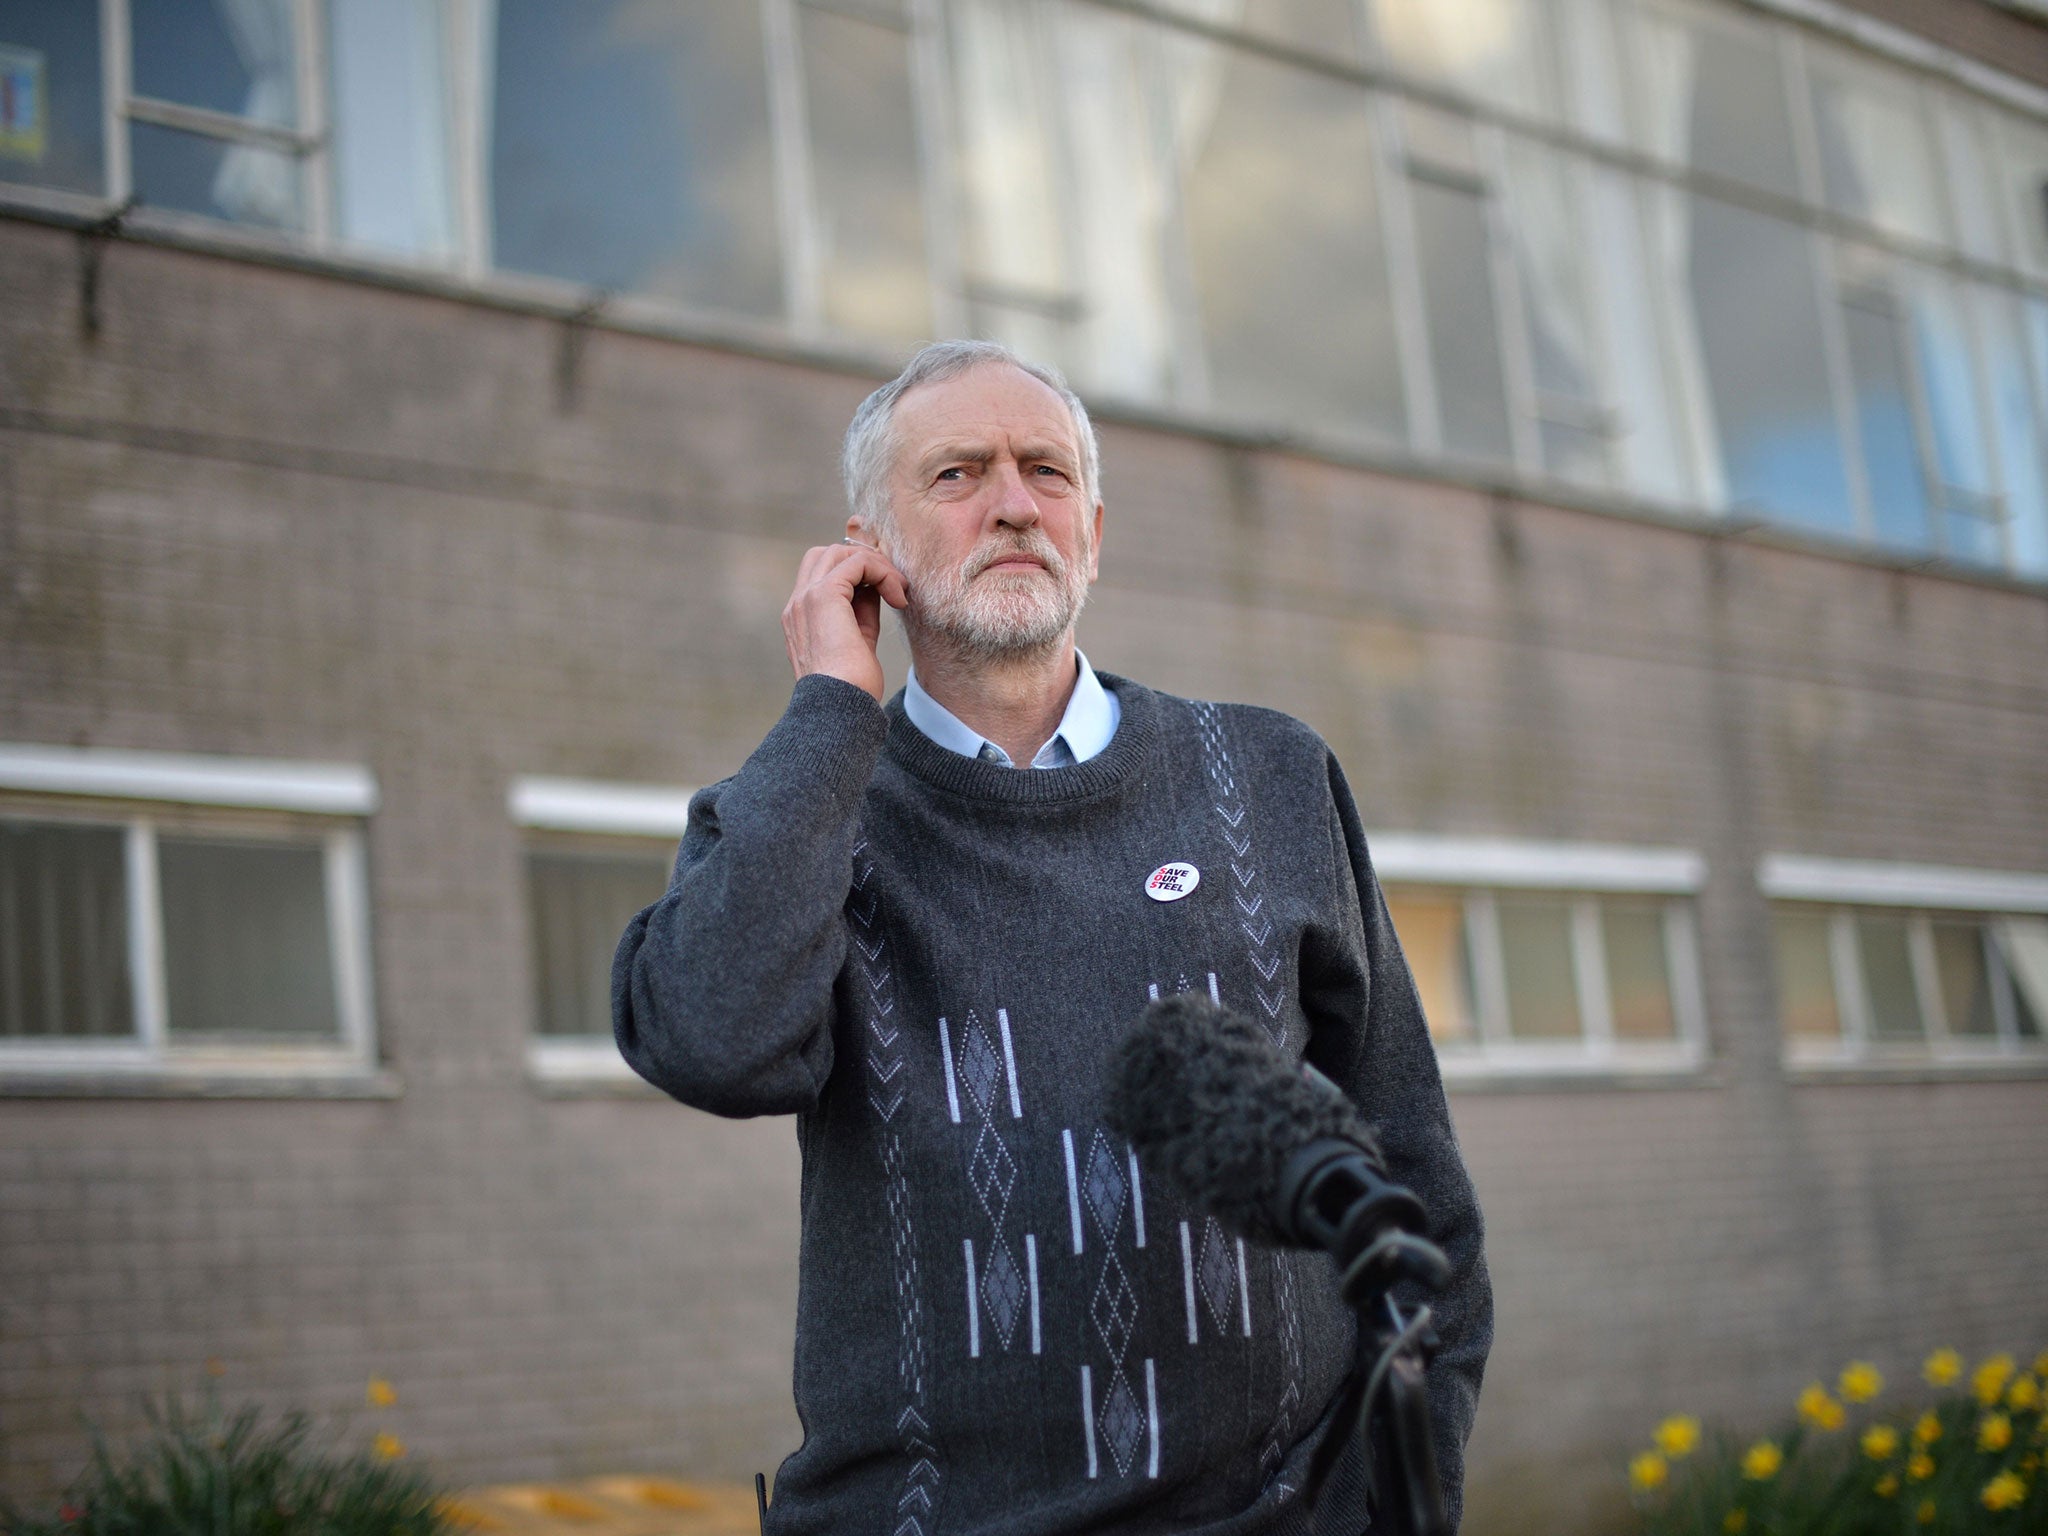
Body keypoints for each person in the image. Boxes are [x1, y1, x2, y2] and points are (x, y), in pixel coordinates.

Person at [613, 339, 1490, 1535]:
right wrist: (830, 702)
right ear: (869, 550)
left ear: (1091, 532)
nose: (1013, 503)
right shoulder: (803, 814)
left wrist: (1401, 1493)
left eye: (1046, 472)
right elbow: (711, 1040)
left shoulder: (1272, 775)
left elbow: (1412, 1171)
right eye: (957, 475)